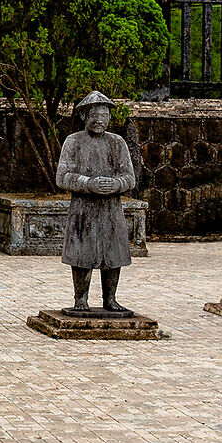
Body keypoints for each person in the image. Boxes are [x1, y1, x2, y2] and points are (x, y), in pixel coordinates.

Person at [56, 90, 136, 313]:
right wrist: (88, 183)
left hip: (111, 208)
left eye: (105, 115)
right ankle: (80, 300)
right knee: (82, 255)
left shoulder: (117, 143)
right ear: (84, 117)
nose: (100, 120)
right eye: (95, 115)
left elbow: (130, 177)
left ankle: (110, 299)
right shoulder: (73, 142)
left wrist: (116, 184)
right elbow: (62, 177)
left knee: (113, 254)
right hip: (83, 209)